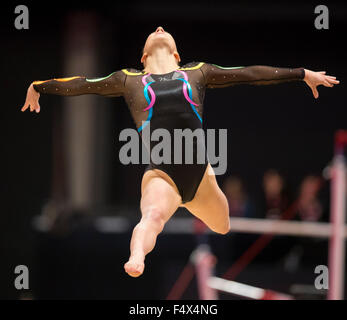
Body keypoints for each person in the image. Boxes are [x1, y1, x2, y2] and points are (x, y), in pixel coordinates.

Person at [21, 26, 339, 277]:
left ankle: (196, 192)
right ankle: (136, 256)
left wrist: (301, 73)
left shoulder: (198, 72)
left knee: (223, 224)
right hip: (163, 177)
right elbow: (83, 83)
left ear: (176, 54)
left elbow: (249, 73)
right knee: (153, 216)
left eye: (164, 31)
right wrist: (39, 86)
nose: (159, 27)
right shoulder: (128, 79)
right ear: (143, 55)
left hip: (201, 176)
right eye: (154, 32)